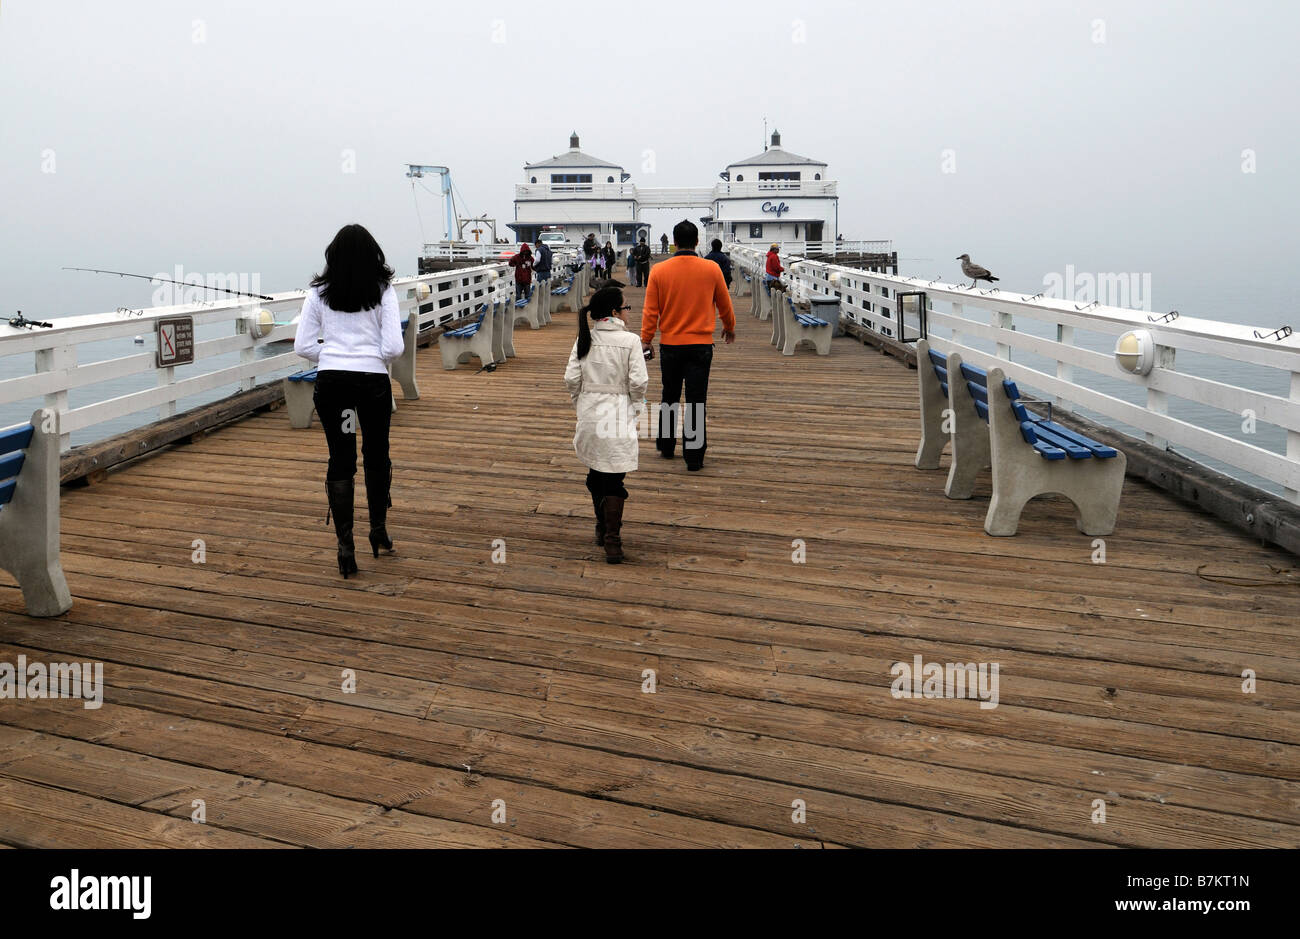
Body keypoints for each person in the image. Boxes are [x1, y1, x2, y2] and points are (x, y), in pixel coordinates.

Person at [294, 223, 404, 579]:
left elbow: (302, 346)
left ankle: (345, 548)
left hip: (334, 384)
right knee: (375, 453)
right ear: (374, 255)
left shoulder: (317, 293)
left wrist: (332, 354)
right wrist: (369, 355)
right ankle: (378, 530)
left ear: (333, 256)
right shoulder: (384, 291)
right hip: (371, 384)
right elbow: (393, 348)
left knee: (341, 459)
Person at [640, 220, 736, 472]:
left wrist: (646, 338)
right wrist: (729, 326)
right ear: (696, 242)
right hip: (700, 346)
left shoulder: (659, 271)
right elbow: (724, 303)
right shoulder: (711, 269)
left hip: (670, 345)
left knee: (669, 394)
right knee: (696, 400)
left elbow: (651, 310)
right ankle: (693, 456)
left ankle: (667, 445)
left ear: (674, 241)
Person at [564, 286, 649, 564]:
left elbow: (571, 379)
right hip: (617, 413)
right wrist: (636, 406)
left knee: (595, 474)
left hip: (590, 412)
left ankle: (602, 527)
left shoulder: (584, 338)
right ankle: (612, 539)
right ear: (615, 313)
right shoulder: (631, 341)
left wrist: (581, 402)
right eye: (626, 308)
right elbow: (638, 382)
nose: (628, 312)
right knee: (614, 477)